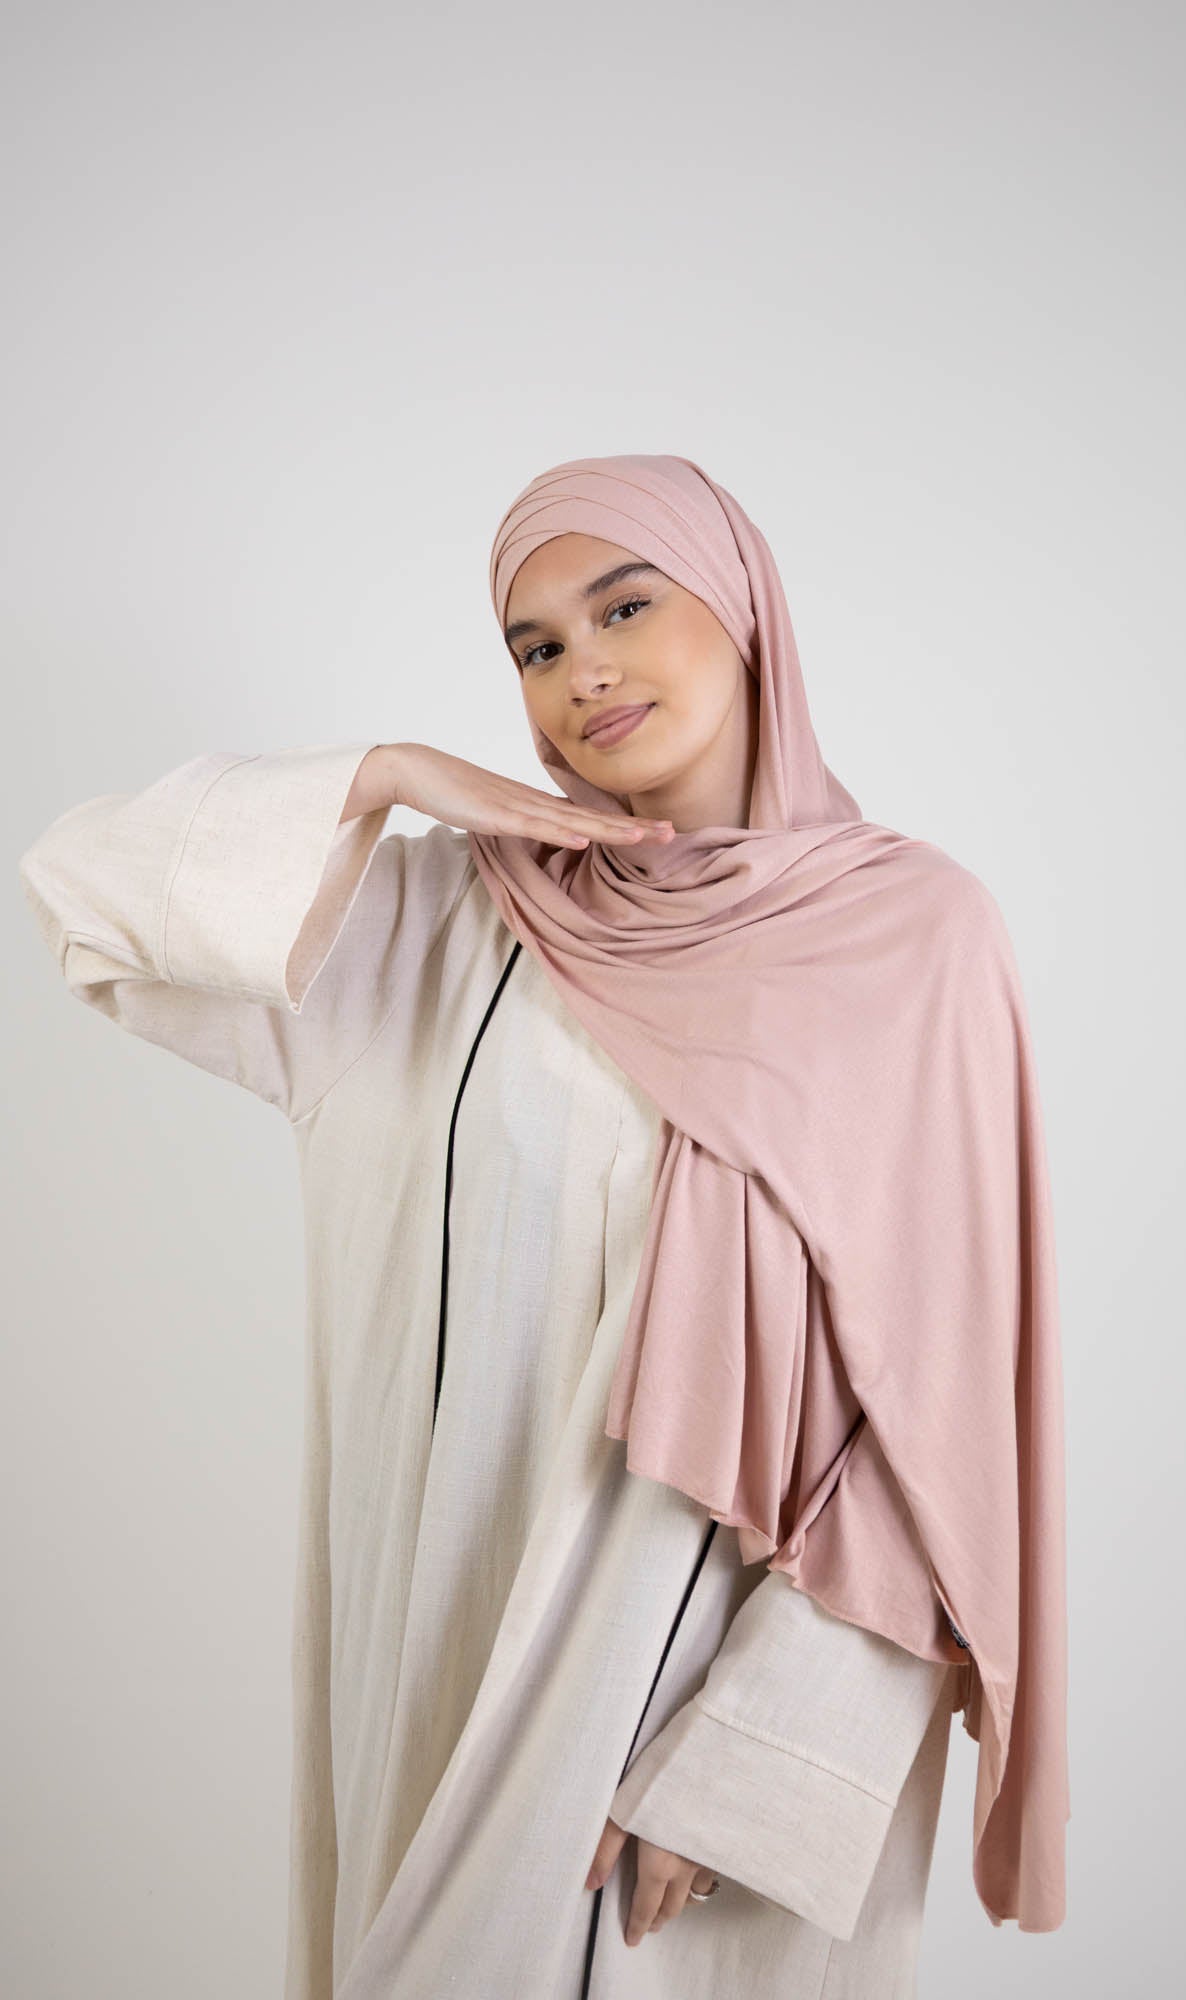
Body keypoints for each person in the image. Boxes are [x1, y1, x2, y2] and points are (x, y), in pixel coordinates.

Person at [18, 453, 1068, 1998]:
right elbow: (81, 894)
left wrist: (762, 1751)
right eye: (535, 646)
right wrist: (384, 776)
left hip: (696, 1692)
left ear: (744, 609)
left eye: (624, 607)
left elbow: (948, 1399)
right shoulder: (438, 920)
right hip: (433, 1645)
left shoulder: (909, 939)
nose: (584, 671)